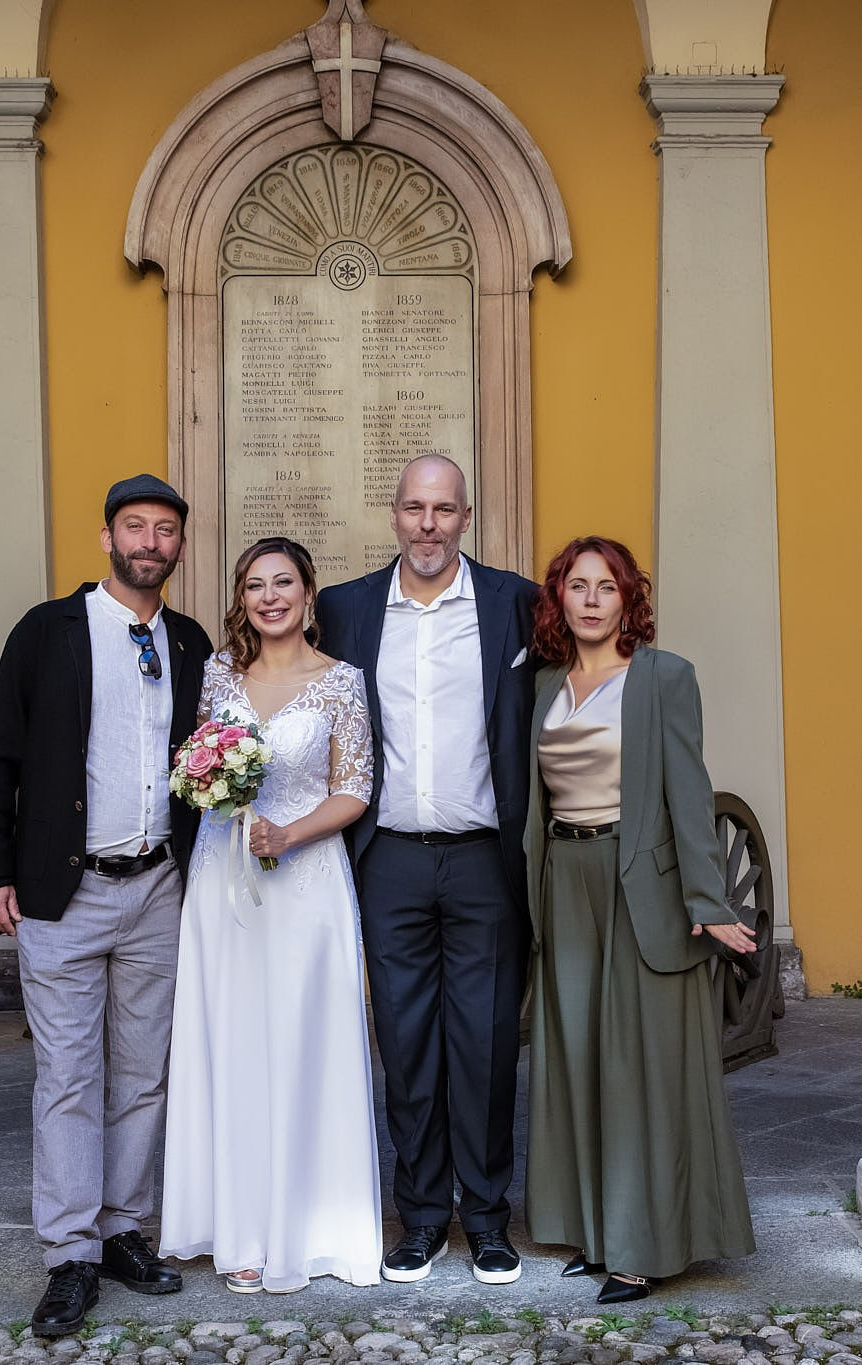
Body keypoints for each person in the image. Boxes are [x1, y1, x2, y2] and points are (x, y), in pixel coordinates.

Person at [0, 474, 213, 1336]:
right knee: (68, 1077)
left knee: (143, 1071)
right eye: (135, 527)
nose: (151, 541)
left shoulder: (189, 642)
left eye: (166, 530)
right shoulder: (48, 632)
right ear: (107, 538)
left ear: (179, 546)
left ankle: (123, 1232)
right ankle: (68, 1254)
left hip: (157, 889)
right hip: (63, 892)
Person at [314, 454, 539, 1285]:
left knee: (483, 1045)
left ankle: (485, 1217)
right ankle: (418, 1218)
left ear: (467, 516)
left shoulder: (514, 602)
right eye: (414, 508)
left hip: (485, 857)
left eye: (444, 509)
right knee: (404, 1044)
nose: (428, 525)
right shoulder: (344, 610)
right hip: (390, 860)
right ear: (394, 514)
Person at [522, 535, 757, 1304]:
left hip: (640, 884)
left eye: (607, 586)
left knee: (641, 1067)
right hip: (565, 880)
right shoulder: (544, 683)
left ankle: (642, 1248)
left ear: (630, 599)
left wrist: (707, 900)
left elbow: (690, 790)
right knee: (579, 1055)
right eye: (577, 586)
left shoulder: (663, 678)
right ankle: (598, 1230)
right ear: (559, 598)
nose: (591, 599)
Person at [158, 536, 383, 1294]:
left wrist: (289, 832)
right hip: (223, 884)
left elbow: (355, 788)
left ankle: (312, 1225)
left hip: (306, 883)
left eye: (283, 582)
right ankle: (240, 1229)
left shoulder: (341, 683)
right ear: (242, 597)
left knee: (302, 1040)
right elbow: (194, 763)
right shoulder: (218, 673)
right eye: (255, 584)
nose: (269, 595)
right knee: (232, 1041)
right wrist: (213, 792)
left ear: (309, 593)